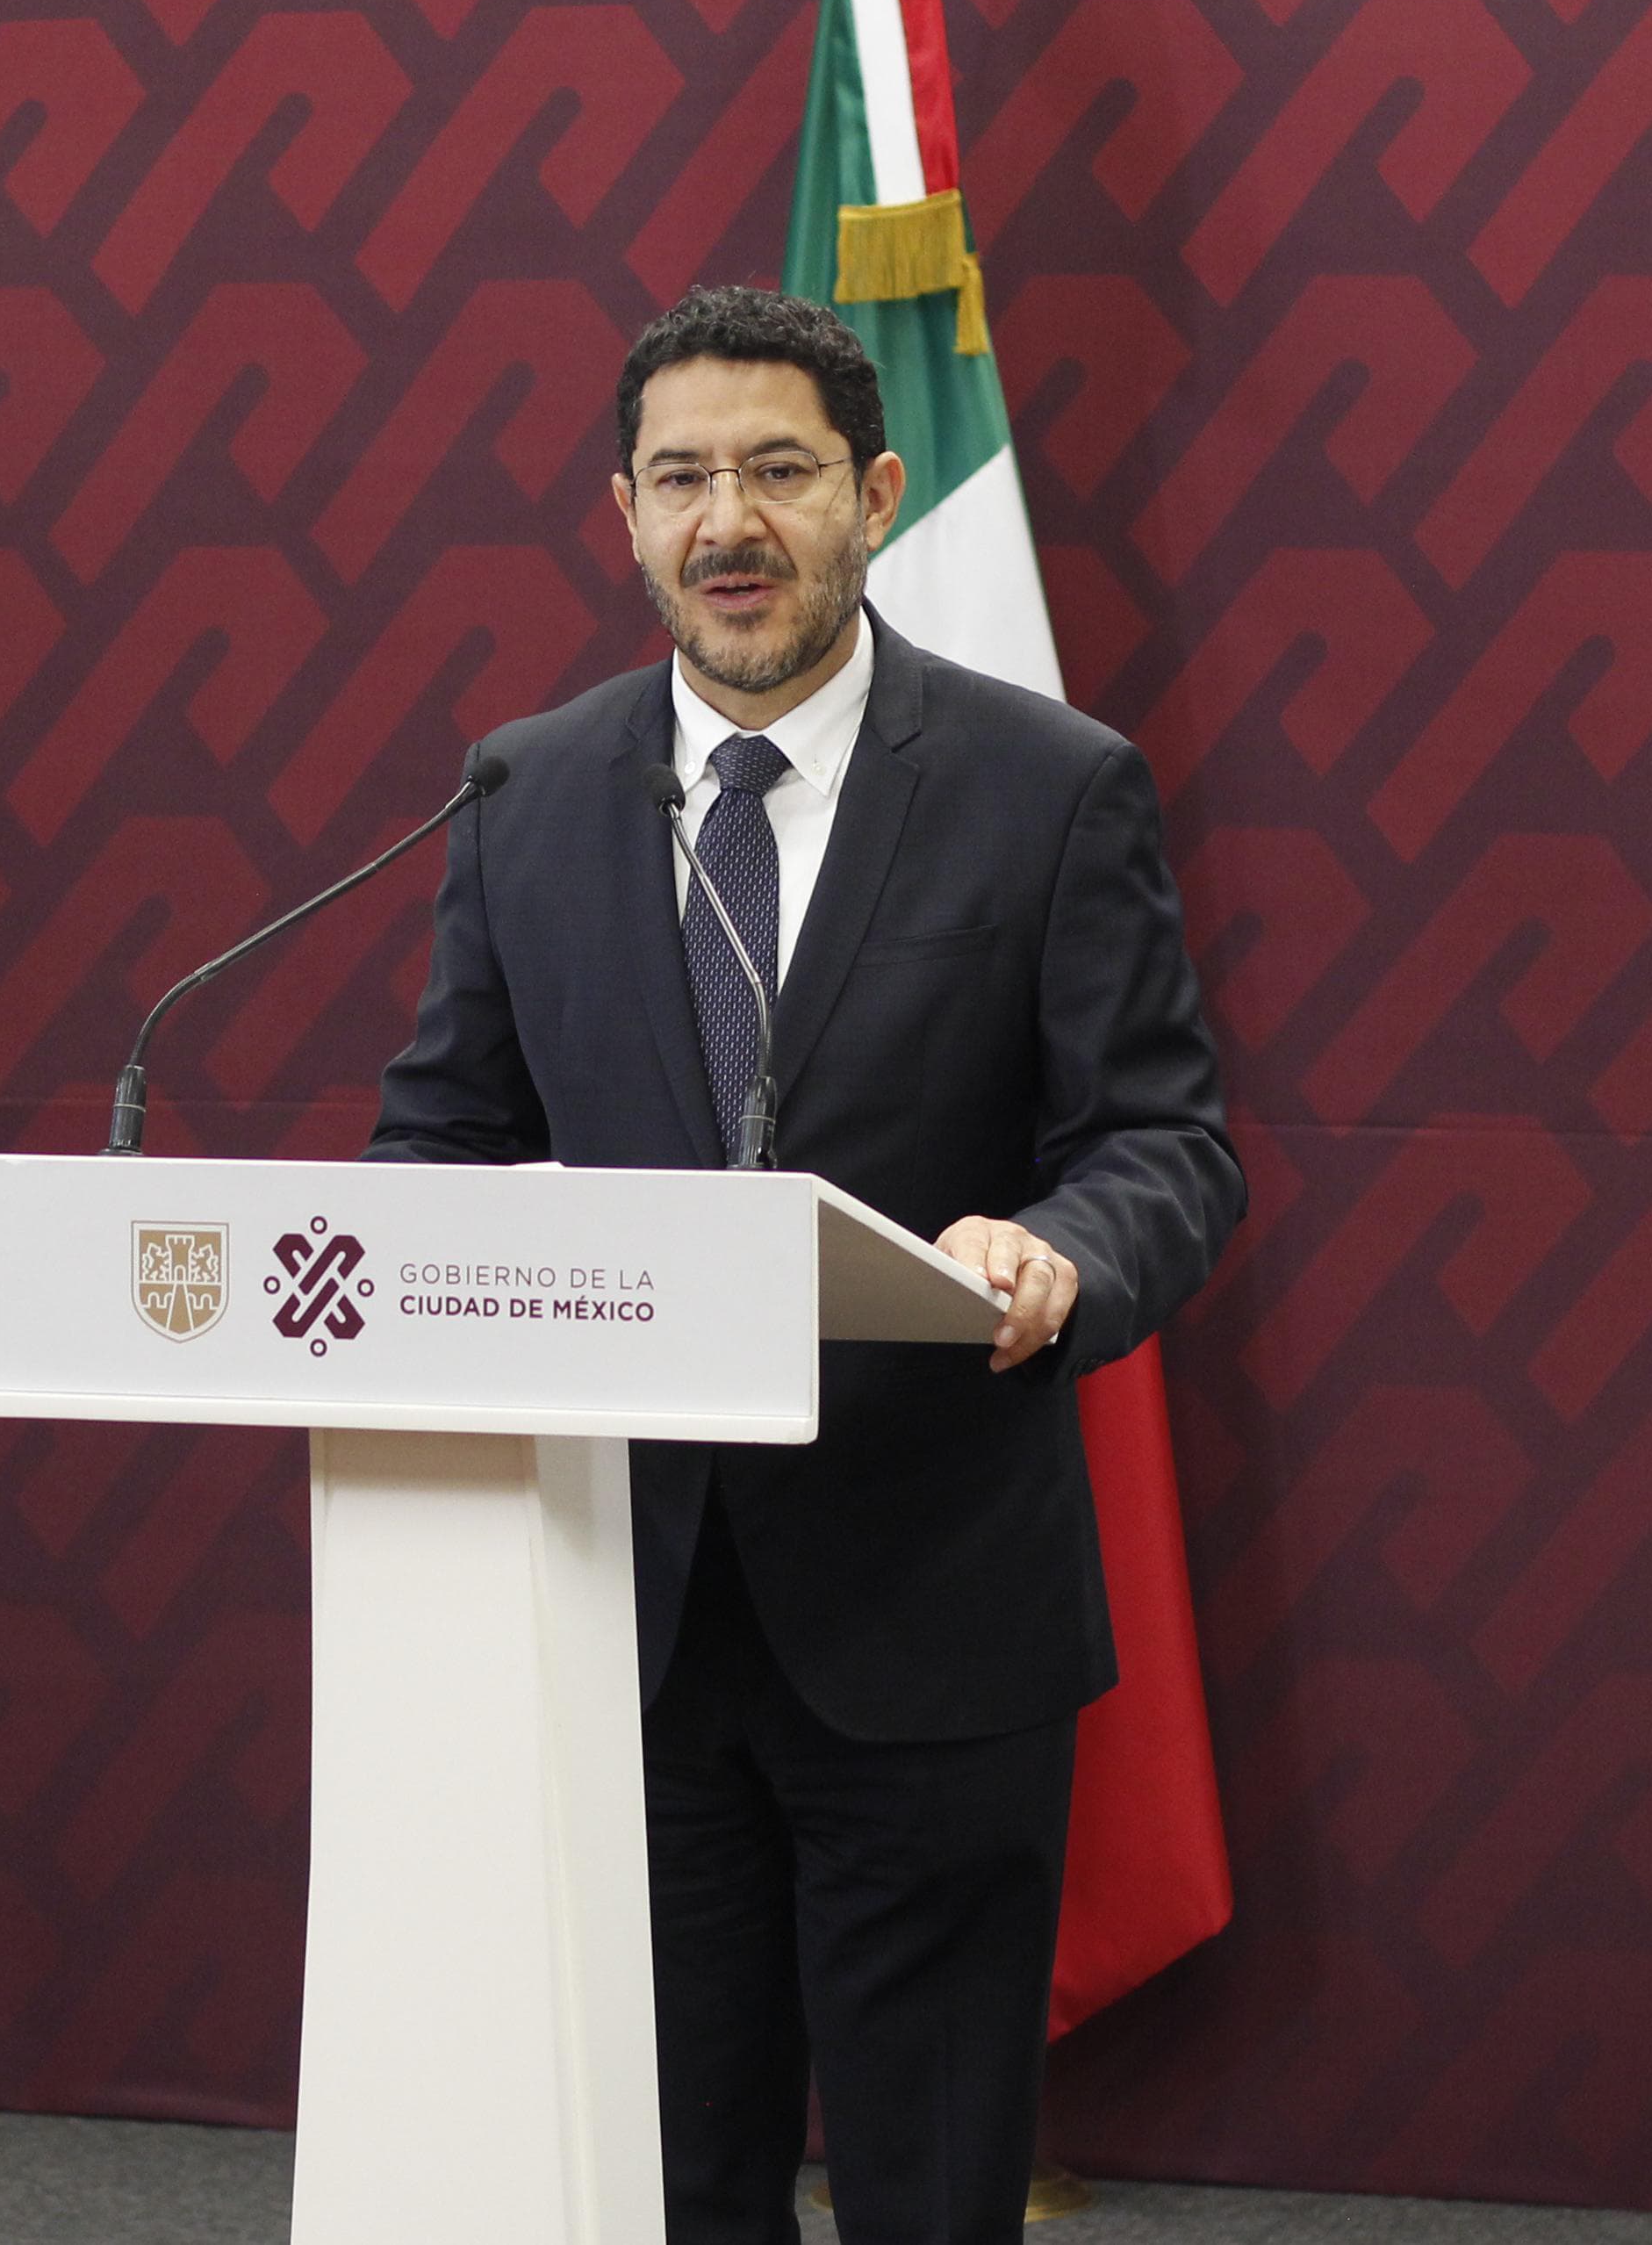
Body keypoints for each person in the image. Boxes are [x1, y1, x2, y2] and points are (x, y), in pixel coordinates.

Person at [368, 284, 1244, 2245]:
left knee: (928, 2191)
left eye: (776, 470)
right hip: (627, 1622)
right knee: (675, 2184)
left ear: (874, 492)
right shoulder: (521, 792)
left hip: (930, 1612)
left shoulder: (1047, 785)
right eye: (681, 479)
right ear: (623, 513)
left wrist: (1060, 1251)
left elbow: (1163, 1145)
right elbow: (437, 1151)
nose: (728, 523)